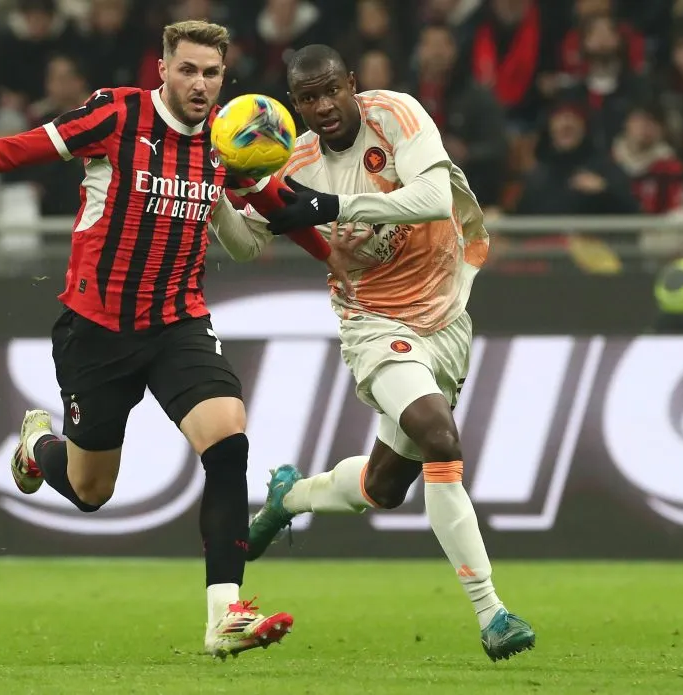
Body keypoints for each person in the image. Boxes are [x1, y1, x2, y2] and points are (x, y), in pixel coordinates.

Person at [0, 20, 349, 659]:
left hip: (178, 322)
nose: (200, 85)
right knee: (91, 491)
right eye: (188, 70)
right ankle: (39, 447)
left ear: (225, 78)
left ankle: (225, 614)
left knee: (227, 438)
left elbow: (274, 198)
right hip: (98, 330)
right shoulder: (116, 115)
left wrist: (333, 258)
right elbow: (17, 148)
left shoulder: (227, 140)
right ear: (164, 69)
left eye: (212, 73)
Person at [208, 44, 536, 662]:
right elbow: (247, 245)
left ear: (352, 84)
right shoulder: (292, 160)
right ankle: (492, 614)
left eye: (332, 89)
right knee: (439, 436)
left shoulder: (398, 116)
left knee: (386, 486)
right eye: (308, 97)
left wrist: (331, 207)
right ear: (296, 105)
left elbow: (433, 199)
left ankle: (290, 497)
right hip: (372, 319)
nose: (324, 105)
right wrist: (219, 199)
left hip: (445, 313)